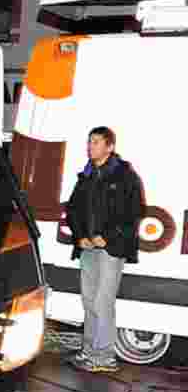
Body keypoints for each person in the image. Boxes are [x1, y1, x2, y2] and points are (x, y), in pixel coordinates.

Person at [63, 126, 145, 373]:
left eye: (96, 142)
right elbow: (73, 210)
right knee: (89, 300)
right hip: (88, 248)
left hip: (112, 249)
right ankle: (89, 352)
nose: (90, 146)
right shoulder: (86, 175)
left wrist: (107, 238)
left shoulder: (125, 176)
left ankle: (104, 357)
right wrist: (80, 238)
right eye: (89, 142)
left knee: (102, 302)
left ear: (109, 147)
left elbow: (135, 212)